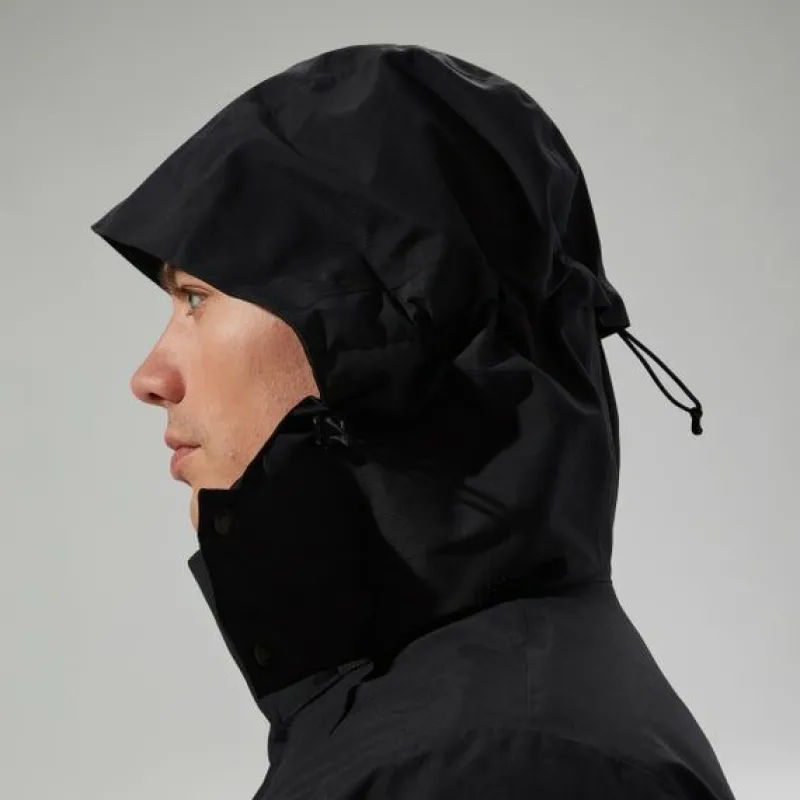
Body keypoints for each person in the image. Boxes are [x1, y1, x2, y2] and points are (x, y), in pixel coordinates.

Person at [90, 43, 736, 799]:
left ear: (385, 333)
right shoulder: (444, 717)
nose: (150, 378)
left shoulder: (496, 765)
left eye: (197, 298)